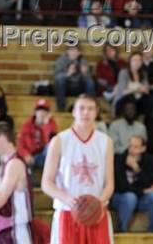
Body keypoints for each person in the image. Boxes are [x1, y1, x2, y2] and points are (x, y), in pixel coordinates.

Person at [41, 94, 114, 244]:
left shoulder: (106, 142)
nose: (86, 112)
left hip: (97, 214)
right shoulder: (59, 140)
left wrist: (97, 204)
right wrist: (68, 200)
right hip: (68, 213)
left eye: (90, 109)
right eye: (81, 108)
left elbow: (110, 184)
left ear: (96, 112)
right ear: (73, 112)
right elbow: (46, 183)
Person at [111, 136, 153, 232]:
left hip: (140, 198)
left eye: (135, 147)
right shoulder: (119, 159)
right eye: (130, 146)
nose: (131, 150)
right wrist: (143, 191)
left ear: (143, 148)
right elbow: (121, 187)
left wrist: (137, 169)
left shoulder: (149, 160)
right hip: (121, 198)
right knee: (130, 197)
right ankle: (122, 230)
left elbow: (150, 183)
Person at [17, 99, 58, 171]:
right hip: (30, 154)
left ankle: (32, 165)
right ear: (35, 112)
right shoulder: (27, 125)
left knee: (51, 146)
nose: (41, 113)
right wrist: (25, 154)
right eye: (39, 110)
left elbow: (51, 143)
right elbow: (20, 144)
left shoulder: (51, 124)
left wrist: (46, 125)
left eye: (45, 111)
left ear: (48, 113)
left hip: (44, 155)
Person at [112, 51, 153, 117]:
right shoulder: (124, 72)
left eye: (140, 60)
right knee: (131, 98)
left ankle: (148, 122)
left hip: (138, 98)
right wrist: (137, 89)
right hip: (123, 99)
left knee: (150, 99)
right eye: (135, 60)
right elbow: (123, 92)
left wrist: (136, 89)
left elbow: (147, 90)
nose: (137, 63)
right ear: (130, 61)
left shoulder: (143, 73)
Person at [54, 46, 95, 111]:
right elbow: (56, 77)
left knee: (89, 81)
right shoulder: (61, 61)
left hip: (79, 88)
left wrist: (84, 74)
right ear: (67, 51)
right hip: (66, 88)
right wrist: (68, 74)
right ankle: (61, 108)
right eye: (71, 50)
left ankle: (91, 107)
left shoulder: (83, 61)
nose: (73, 52)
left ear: (79, 52)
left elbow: (89, 80)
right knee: (59, 79)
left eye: (76, 50)